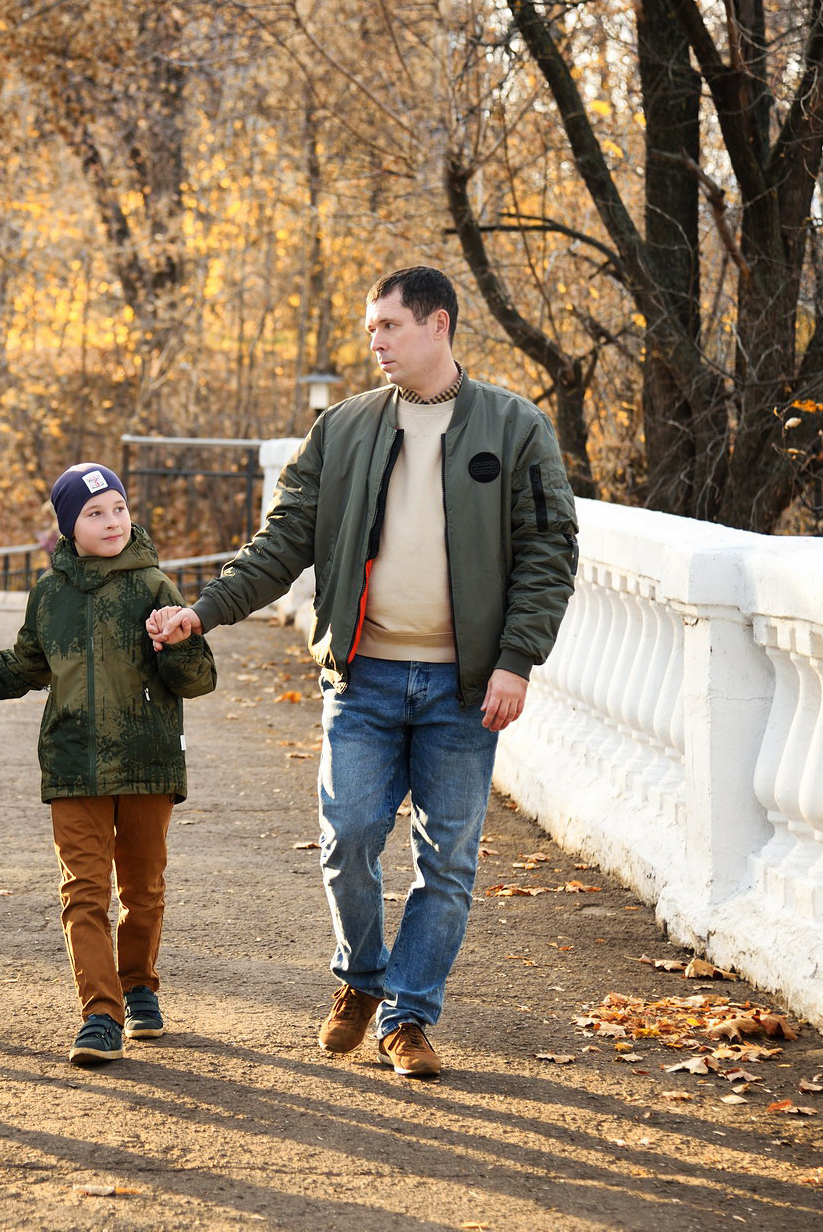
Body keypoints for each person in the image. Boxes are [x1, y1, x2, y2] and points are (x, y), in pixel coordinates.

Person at [147, 266, 578, 1079]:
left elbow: (549, 554)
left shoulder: (514, 427)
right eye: (370, 327)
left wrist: (515, 661)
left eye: (388, 326)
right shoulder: (343, 430)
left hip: (462, 685)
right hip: (364, 678)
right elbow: (281, 544)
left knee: (447, 859)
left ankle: (409, 1017)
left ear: (438, 324)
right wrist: (202, 611)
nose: (373, 341)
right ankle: (360, 977)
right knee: (348, 838)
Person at [0, 464, 215, 1065]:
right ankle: (100, 1013)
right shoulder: (49, 595)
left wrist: (176, 642)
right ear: (69, 526)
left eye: (118, 507)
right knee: (84, 892)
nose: (112, 521)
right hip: (73, 766)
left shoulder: (154, 587)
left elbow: (198, 680)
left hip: (147, 763)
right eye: (95, 513)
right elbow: (25, 667)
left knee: (142, 889)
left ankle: (139, 983)